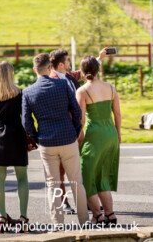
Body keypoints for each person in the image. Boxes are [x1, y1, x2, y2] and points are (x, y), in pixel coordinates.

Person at [22, 53, 89, 225]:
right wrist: (75, 131)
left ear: (34, 69)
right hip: (67, 137)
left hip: (46, 141)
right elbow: (76, 111)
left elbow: (26, 122)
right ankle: (84, 220)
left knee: (52, 184)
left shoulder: (28, 92)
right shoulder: (62, 85)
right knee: (76, 182)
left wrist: (36, 137)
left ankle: (58, 223)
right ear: (50, 67)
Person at [48, 48, 108, 215]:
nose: (69, 64)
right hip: (62, 132)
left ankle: (88, 202)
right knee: (60, 170)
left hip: (76, 129)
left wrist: (99, 58)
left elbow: (84, 73)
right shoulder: (50, 80)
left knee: (79, 168)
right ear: (60, 64)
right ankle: (64, 202)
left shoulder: (68, 76)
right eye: (67, 61)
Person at [0, 61, 31, 230]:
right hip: (17, 137)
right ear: (10, 74)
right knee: (22, 177)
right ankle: (23, 217)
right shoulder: (19, 94)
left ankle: (1, 217)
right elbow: (25, 119)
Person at [76, 56, 121, 226]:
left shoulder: (82, 91)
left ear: (82, 71)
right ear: (98, 70)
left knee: (86, 177)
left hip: (95, 135)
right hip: (111, 134)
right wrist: (118, 134)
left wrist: (79, 139)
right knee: (102, 177)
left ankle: (97, 215)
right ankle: (110, 214)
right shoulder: (110, 87)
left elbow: (80, 121)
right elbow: (117, 114)